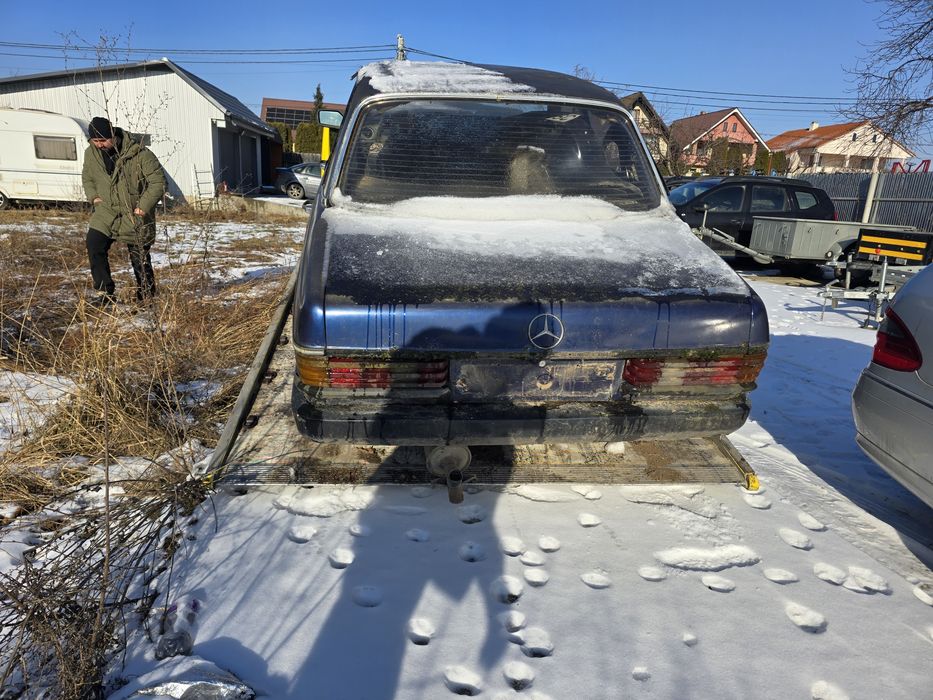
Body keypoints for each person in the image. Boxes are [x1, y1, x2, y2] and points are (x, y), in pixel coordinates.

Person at [81, 116, 166, 307]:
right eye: (95, 140)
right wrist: (94, 197)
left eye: (103, 140)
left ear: (114, 136)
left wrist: (143, 207)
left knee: (139, 257)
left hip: (133, 212)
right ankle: (105, 293)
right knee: (94, 244)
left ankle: (146, 297)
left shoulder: (140, 154)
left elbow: (158, 182)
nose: (99, 145)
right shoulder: (91, 153)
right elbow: (87, 177)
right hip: (106, 211)